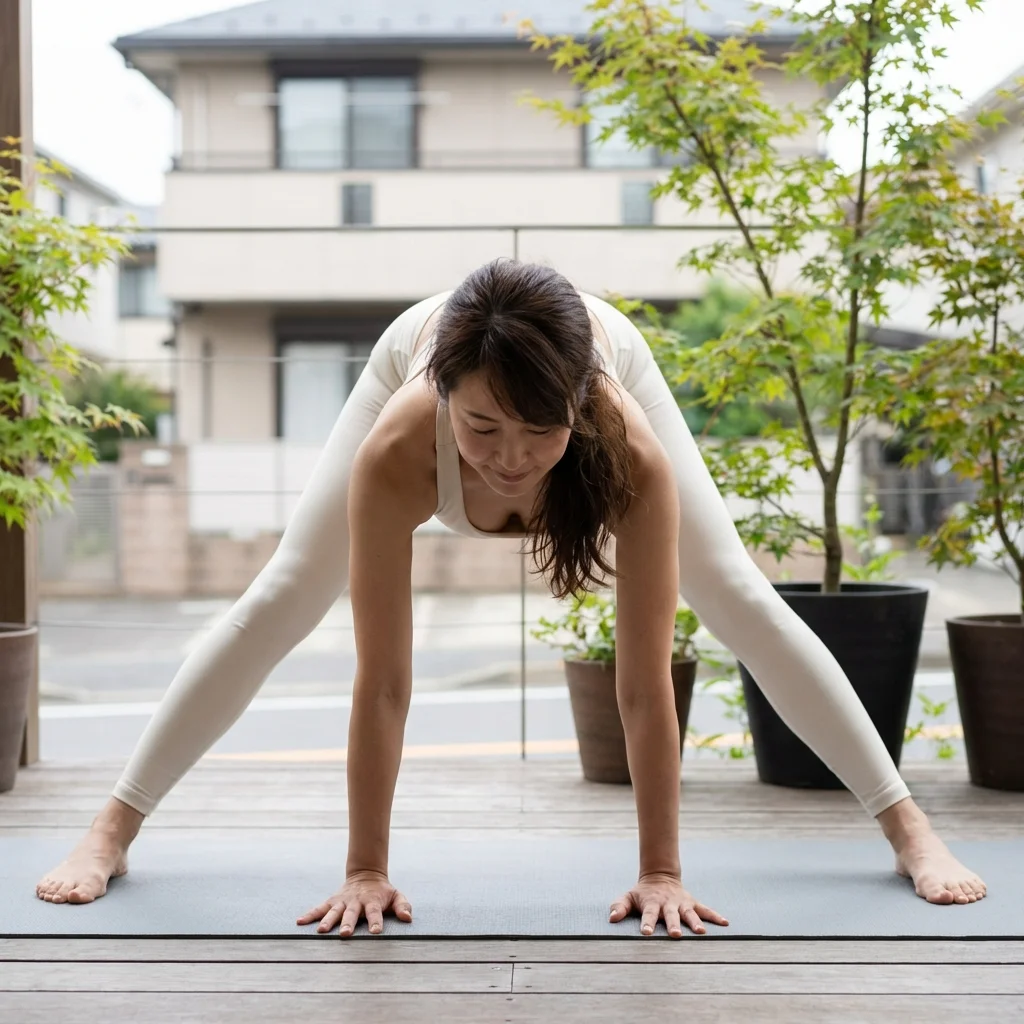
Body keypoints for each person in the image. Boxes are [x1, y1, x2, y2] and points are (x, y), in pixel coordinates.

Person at [35, 259, 986, 939]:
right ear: (446, 398)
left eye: (539, 431)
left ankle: (909, 827)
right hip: (427, 345)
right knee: (284, 590)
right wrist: (366, 869)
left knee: (738, 593)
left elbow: (646, 687)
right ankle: (111, 828)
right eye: (483, 427)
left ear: (578, 410)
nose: (508, 458)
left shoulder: (625, 449)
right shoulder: (401, 445)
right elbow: (384, 684)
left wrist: (661, 873)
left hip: (594, 349)